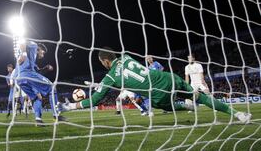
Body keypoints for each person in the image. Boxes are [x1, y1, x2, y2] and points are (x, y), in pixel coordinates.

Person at [58, 47, 252, 123]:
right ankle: (239, 114)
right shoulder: (126, 55)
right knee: (201, 97)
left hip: (159, 93)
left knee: (159, 104)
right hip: (167, 78)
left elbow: (97, 99)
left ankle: (184, 105)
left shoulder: (110, 77)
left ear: (104, 62)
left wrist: (71, 105)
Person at [16, 41, 67, 126]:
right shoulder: (34, 46)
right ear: (39, 49)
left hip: (20, 79)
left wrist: (46, 68)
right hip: (28, 74)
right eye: (42, 52)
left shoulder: (32, 61)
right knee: (52, 87)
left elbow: (38, 72)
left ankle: (38, 119)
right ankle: (56, 114)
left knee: (37, 98)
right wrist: (24, 54)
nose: (43, 55)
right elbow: (23, 42)